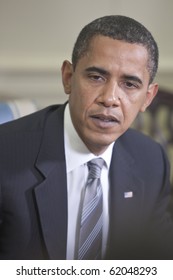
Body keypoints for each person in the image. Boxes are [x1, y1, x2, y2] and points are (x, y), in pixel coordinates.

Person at [0, 15, 173, 260]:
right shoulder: (5, 154)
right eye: (96, 77)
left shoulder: (151, 161)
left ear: (147, 97)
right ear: (68, 78)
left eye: (130, 84)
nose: (110, 98)